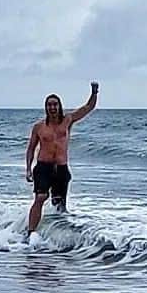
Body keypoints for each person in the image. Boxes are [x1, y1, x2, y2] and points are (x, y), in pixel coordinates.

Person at [25, 81, 99, 233]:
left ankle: (57, 239)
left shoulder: (67, 121)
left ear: (59, 106)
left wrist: (94, 92)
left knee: (59, 205)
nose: (52, 107)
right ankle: (30, 232)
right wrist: (28, 169)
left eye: (55, 104)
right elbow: (31, 148)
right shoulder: (39, 127)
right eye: (49, 105)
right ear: (46, 107)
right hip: (43, 167)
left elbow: (88, 108)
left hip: (61, 169)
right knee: (40, 197)